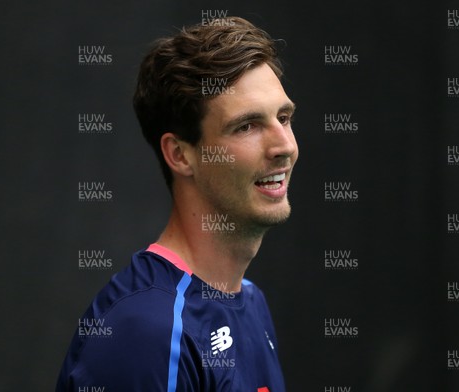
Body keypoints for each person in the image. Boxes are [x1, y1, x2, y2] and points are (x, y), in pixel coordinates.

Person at [56, 16, 298, 392]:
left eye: (284, 118)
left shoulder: (250, 301)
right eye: (247, 126)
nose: (284, 145)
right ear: (180, 155)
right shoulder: (146, 331)